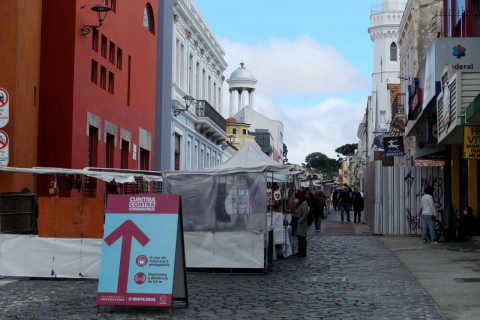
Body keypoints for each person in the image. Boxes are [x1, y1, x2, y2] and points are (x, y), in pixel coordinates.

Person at [292, 192, 309, 257]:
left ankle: (303, 252)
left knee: (302, 238)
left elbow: (305, 213)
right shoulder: (300, 203)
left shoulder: (304, 203)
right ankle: (300, 251)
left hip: (301, 224)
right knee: (299, 238)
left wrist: (299, 221)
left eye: (296, 197)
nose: (296, 199)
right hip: (299, 223)